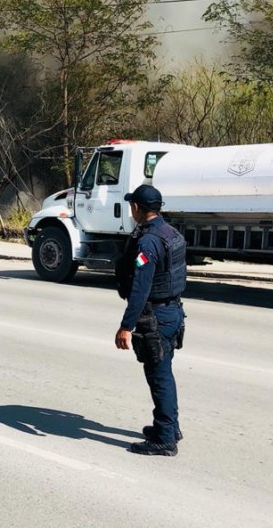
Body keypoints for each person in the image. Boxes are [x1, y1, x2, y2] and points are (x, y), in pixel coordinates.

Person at [115, 184, 187, 456]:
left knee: (159, 376)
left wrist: (126, 326)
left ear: (137, 208)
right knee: (163, 372)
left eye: (132, 205)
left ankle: (165, 438)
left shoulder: (149, 241)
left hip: (156, 315)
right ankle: (168, 427)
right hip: (172, 311)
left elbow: (140, 287)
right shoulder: (171, 233)